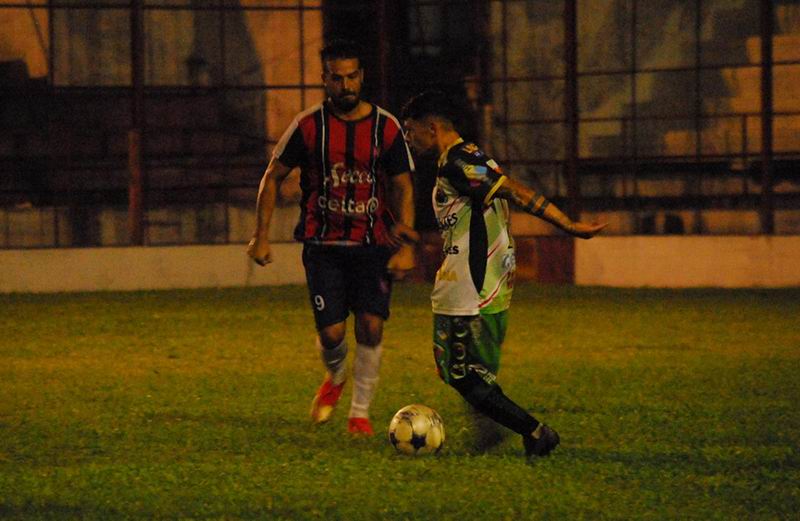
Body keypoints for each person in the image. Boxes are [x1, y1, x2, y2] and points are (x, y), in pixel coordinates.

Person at [401, 90, 606, 458]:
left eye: (411, 131)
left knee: (460, 372)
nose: (409, 139)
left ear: (431, 128)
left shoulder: (458, 161)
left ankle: (535, 432)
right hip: (487, 281)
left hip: (469, 285)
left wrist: (567, 224)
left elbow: (513, 189)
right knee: (474, 371)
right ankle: (488, 435)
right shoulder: (468, 157)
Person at [247, 40, 417, 436]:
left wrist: (406, 245)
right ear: (325, 79)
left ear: (362, 76)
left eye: (352, 76)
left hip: (373, 245)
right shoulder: (308, 126)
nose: (346, 85)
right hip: (323, 246)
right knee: (332, 333)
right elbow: (272, 176)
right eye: (337, 78)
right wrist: (261, 237)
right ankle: (336, 377)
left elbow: (404, 186)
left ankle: (360, 413)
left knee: (371, 326)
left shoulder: (385, 126)